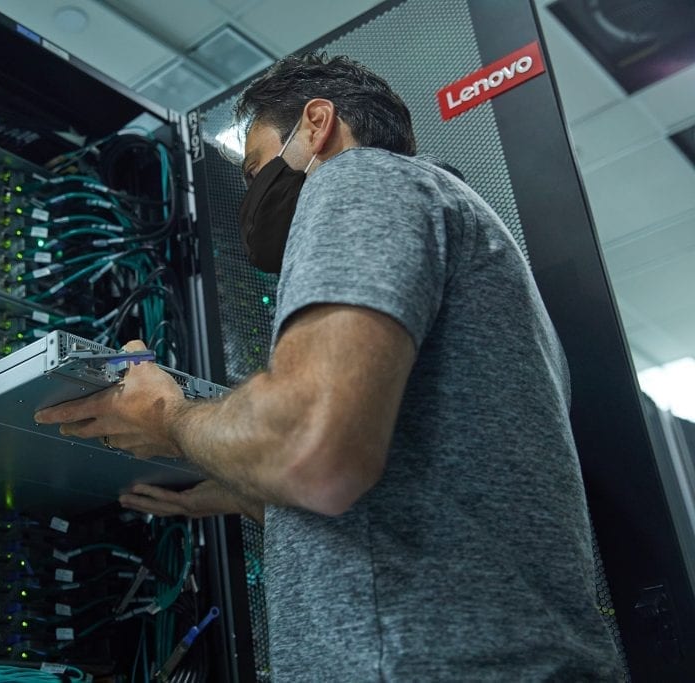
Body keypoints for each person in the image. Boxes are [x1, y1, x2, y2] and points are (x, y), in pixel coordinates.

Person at [35, 53, 624, 681]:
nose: (252, 196)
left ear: (317, 125)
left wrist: (165, 415)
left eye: (257, 166)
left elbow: (311, 450)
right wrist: (237, 491)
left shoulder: (359, 179)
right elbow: (409, 513)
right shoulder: (486, 264)